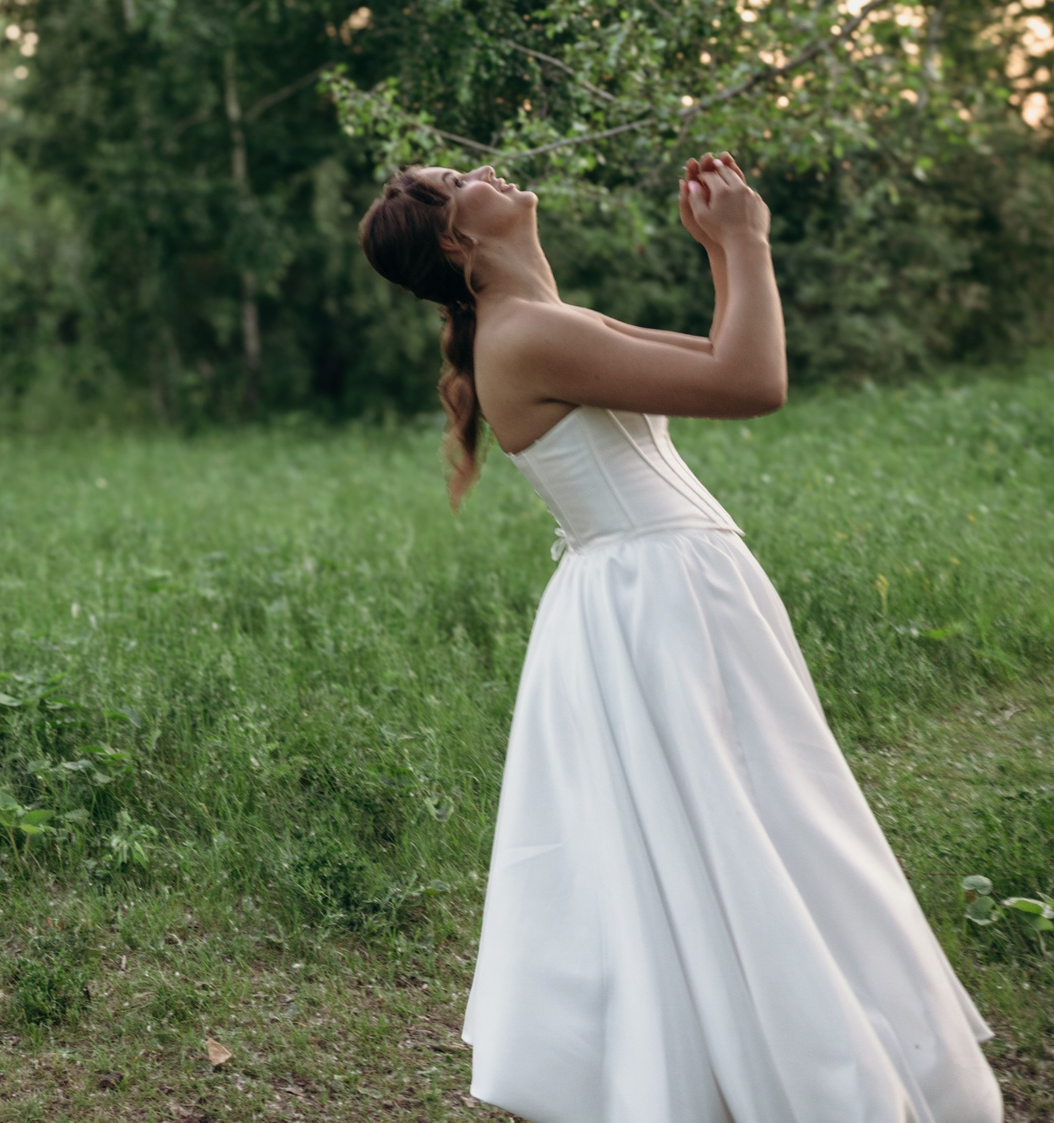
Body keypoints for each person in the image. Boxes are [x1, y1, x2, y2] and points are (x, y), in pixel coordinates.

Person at [359, 155, 1001, 1123]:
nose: (484, 165)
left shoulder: (540, 319)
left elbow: (717, 354)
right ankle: (801, 1077)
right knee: (746, 827)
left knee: (759, 822)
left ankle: (779, 1057)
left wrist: (725, 255)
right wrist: (744, 241)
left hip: (665, 586)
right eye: (461, 177)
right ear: (459, 239)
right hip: (655, 596)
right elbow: (751, 382)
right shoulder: (527, 333)